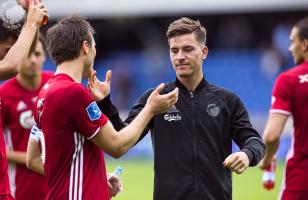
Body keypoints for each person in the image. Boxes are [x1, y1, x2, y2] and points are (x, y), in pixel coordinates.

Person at [90, 17, 265, 200]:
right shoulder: (155, 98)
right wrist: (105, 103)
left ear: (204, 52)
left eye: (188, 49)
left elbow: (255, 141)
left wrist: (247, 154)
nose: (180, 56)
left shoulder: (227, 101)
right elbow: (121, 135)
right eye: (174, 50)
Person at [25, 15, 178, 200]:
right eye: (94, 45)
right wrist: (150, 109)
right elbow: (117, 146)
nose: (95, 51)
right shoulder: (73, 93)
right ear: (85, 47)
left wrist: (95, 179)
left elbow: (33, 159)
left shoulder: (46, 91)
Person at [0, 1, 48, 199]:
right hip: (18, 186)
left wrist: (32, 20)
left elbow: (20, 57)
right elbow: (13, 65)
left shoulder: (53, 85)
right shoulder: (6, 90)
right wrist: (30, 24)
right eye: (5, 51)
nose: (31, 59)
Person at [259, 17, 308, 200]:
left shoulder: (289, 80)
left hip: (302, 178)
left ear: (304, 44)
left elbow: (272, 136)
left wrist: (268, 158)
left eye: (292, 42)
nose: (289, 48)